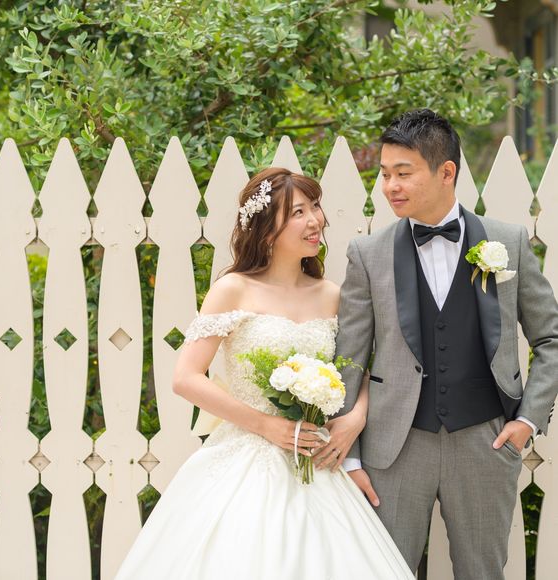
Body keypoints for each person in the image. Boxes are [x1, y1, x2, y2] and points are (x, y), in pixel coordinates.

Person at [115, 167, 414, 579]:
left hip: (316, 458)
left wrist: (356, 417)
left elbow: (361, 369)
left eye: (315, 207)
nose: (315, 221)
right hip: (246, 456)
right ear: (266, 229)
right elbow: (186, 377)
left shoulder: (332, 295)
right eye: (298, 212)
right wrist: (268, 425)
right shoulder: (233, 289)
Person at [326, 108, 558, 578]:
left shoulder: (508, 242)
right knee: (385, 572)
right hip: (394, 449)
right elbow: (349, 357)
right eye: (385, 174)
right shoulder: (367, 254)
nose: (390, 186)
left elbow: (550, 338)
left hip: (485, 442)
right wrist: (349, 458)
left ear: (446, 172)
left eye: (403, 173)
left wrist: (527, 420)